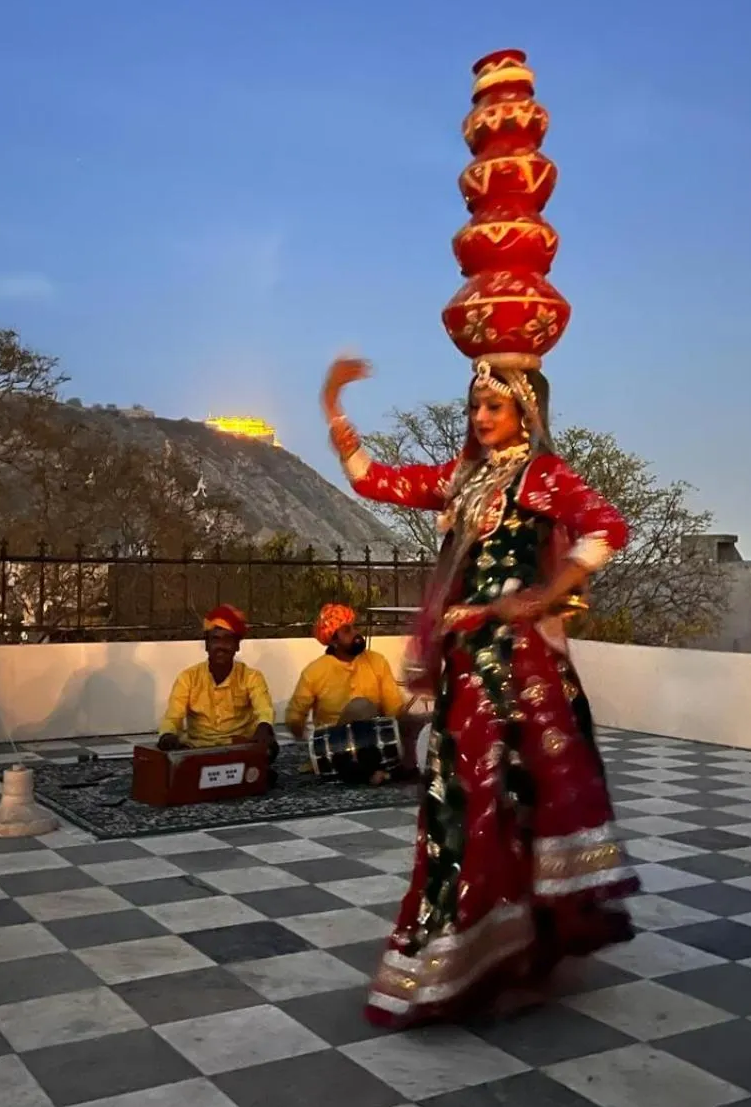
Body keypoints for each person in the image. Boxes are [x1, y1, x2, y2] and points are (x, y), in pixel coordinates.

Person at [322, 354, 639, 1029]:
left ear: (527, 411)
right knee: (459, 801)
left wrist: (541, 596)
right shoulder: (465, 478)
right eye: (474, 407)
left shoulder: (543, 475)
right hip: (466, 664)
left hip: (521, 670)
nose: (480, 418)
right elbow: (376, 482)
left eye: (493, 406)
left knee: (505, 798)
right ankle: (471, 948)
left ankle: (505, 950)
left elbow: (609, 527)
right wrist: (335, 413)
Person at [157, 605, 278, 757]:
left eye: (228, 639)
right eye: (216, 639)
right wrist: (168, 735)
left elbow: (264, 709)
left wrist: (264, 727)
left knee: (269, 747)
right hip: (198, 748)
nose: (221, 646)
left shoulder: (251, 677)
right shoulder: (188, 678)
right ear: (207, 645)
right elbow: (173, 717)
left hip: (239, 747)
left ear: (237, 646)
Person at [285, 603, 405, 739]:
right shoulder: (314, 672)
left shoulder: (377, 661)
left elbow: (394, 709)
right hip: (334, 745)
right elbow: (294, 718)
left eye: (355, 627)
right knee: (360, 707)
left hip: (373, 740)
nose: (356, 633)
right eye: (347, 630)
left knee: (363, 708)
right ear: (333, 641)